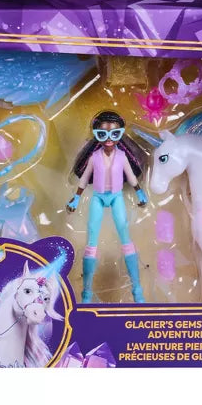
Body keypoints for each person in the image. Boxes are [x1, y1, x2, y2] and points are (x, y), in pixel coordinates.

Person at [66, 110, 147, 303]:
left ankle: (137, 290)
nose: (109, 139)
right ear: (96, 135)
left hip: (116, 197)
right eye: (102, 134)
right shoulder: (94, 157)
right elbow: (84, 179)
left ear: (121, 134)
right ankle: (86, 294)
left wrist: (139, 192)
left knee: (125, 235)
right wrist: (76, 198)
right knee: (92, 238)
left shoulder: (122, 156)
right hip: (98, 197)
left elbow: (131, 176)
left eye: (115, 134)